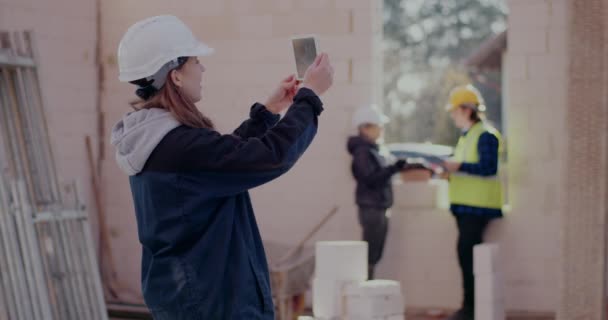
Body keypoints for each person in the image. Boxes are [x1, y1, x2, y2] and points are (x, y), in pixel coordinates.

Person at [111, 15, 334, 319]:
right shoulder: (180, 147)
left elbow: (220, 162)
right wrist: (309, 98)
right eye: (196, 61)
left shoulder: (157, 141)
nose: (202, 69)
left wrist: (267, 113)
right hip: (212, 304)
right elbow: (269, 156)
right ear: (176, 75)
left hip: (191, 300)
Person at [442, 85, 503, 320]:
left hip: (478, 207)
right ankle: (470, 307)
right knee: (465, 254)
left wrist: (459, 167)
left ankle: (471, 309)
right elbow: (467, 168)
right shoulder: (467, 136)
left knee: (467, 255)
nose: (452, 115)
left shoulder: (485, 135)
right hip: (464, 206)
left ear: (467, 110)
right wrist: (451, 172)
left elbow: (488, 168)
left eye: (454, 111)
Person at [347, 105, 406, 280]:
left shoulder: (372, 149)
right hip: (371, 208)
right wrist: (393, 169)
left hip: (377, 206)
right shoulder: (362, 152)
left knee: (375, 252)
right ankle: (366, 287)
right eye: (377, 126)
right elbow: (370, 179)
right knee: (371, 252)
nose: (381, 130)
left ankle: (368, 286)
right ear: (365, 128)